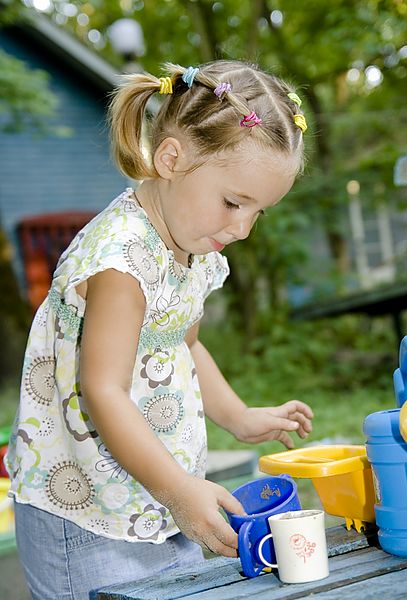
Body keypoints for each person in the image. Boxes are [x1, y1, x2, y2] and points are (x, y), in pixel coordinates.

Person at [5, 59, 313, 599]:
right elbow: (103, 391)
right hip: (86, 510)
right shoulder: (121, 263)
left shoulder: (193, 246)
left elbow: (184, 342)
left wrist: (236, 416)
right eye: (233, 202)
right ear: (172, 158)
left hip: (158, 497)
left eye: (257, 213)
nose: (240, 228)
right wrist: (179, 492)